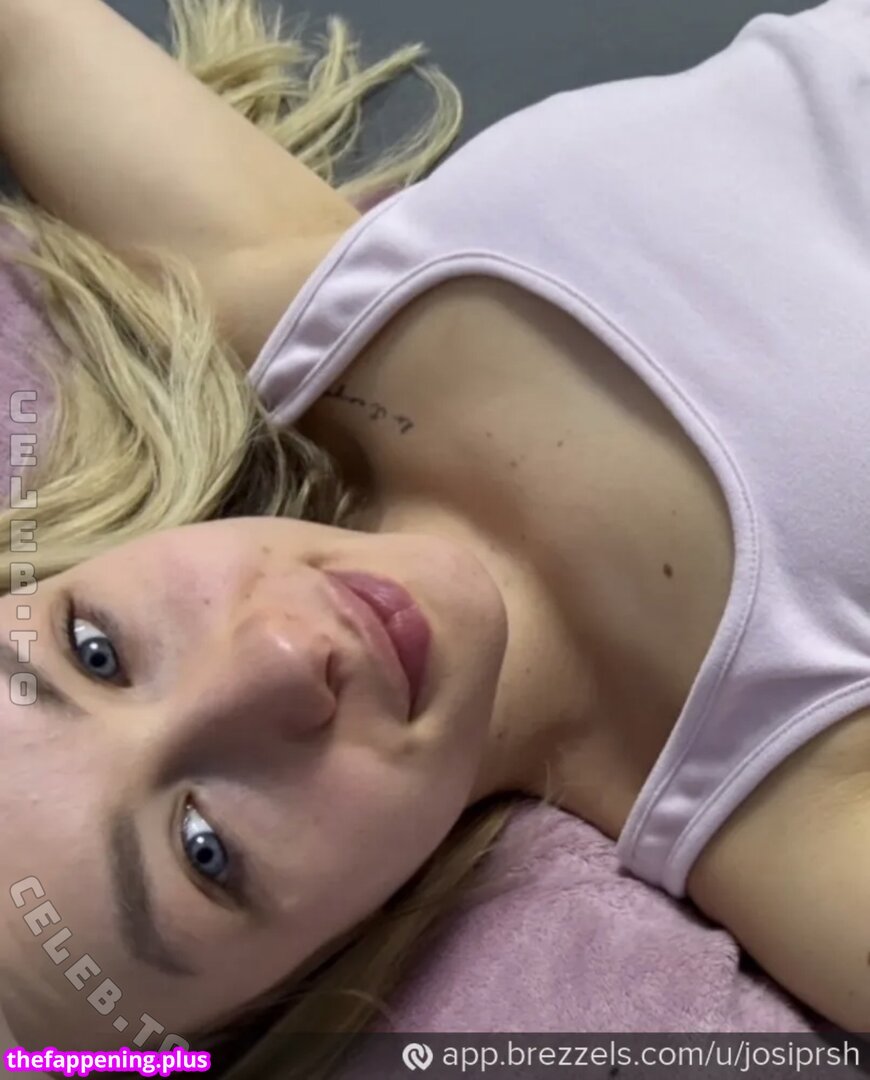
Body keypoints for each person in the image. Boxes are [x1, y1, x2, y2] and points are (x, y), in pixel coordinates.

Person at [0, 0, 867, 1076]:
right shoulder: (793, 819)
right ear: (295, 987)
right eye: (206, 850)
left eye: (94, 651)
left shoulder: (293, 311)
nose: (279, 658)